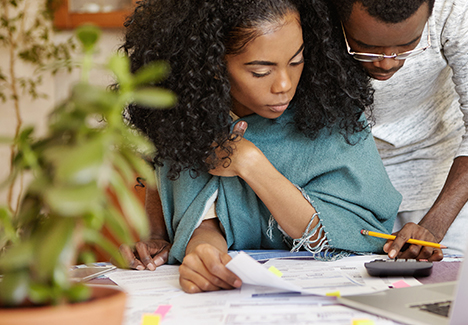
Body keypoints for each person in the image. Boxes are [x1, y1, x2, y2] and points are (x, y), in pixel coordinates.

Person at [119, 0, 401, 292]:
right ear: (213, 66)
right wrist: (202, 254)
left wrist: (251, 164)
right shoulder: (185, 121)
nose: (284, 84)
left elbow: (361, 233)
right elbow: (205, 216)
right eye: (261, 71)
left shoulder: (335, 114)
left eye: (296, 61)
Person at [329, 0, 468, 260]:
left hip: (442, 174)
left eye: (407, 46)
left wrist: (432, 228)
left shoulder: (457, 6)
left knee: (448, 289)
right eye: (368, 48)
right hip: (346, 176)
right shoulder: (310, 10)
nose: (387, 64)